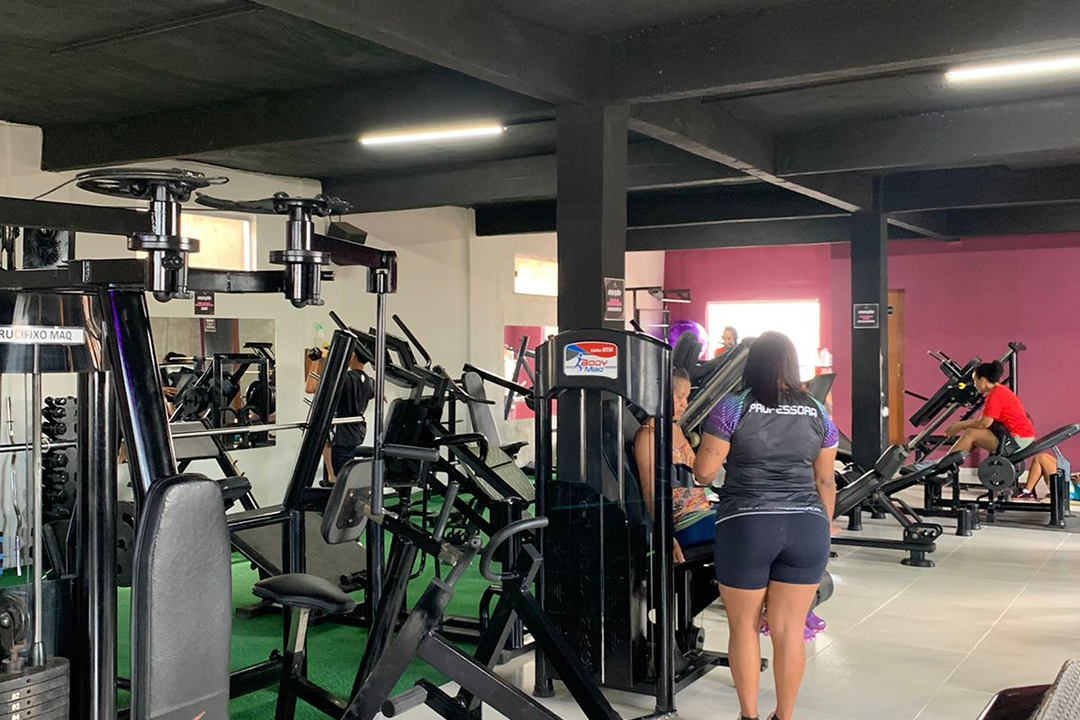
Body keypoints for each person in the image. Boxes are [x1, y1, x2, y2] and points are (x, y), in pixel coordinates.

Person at [693, 331, 837, 720]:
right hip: (807, 526)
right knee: (790, 630)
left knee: (744, 626)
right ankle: (784, 716)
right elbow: (825, 481)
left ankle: (749, 716)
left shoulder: (732, 407)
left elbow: (704, 473)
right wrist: (822, 528)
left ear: (752, 363)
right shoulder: (818, 410)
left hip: (748, 525)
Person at [633, 368, 714, 564]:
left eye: (686, 397)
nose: (685, 404)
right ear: (662, 395)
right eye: (679, 397)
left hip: (704, 507)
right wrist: (666, 535)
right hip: (683, 518)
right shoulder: (648, 436)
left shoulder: (675, 429)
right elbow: (651, 491)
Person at [943, 360, 1048, 500]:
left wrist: (959, 425)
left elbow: (983, 423)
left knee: (971, 434)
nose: (974, 384)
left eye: (975, 380)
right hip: (1019, 436)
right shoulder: (999, 392)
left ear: (983, 380)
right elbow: (985, 423)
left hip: (1018, 439)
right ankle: (948, 466)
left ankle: (943, 468)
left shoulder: (996, 395)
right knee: (973, 435)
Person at [306, 347, 375, 482]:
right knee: (324, 440)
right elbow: (373, 393)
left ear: (352, 356)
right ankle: (331, 476)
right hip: (356, 432)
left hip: (341, 434)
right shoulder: (369, 381)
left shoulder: (344, 378)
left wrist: (316, 360)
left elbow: (310, 388)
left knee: (340, 480)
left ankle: (332, 477)